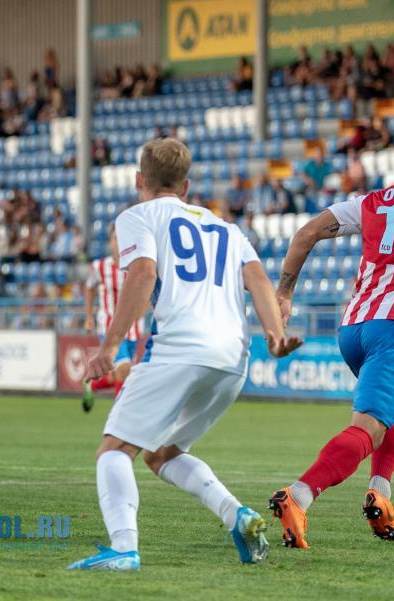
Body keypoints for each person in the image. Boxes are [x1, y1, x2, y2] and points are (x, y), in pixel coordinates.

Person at [66, 139, 302, 571]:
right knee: (161, 453)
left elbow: (142, 274)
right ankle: (237, 515)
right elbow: (258, 281)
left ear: (139, 180)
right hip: (232, 358)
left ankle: (123, 549)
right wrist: (275, 335)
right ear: (186, 186)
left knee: (114, 450)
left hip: (179, 349)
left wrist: (109, 346)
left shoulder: (138, 216)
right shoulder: (227, 229)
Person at [270, 181, 394, 547]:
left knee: (393, 412)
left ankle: (380, 494)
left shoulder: (374, 201)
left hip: (354, 327)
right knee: (369, 427)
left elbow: (306, 233)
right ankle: (299, 495)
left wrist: (284, 292)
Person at [81, 225, 144, 412]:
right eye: (115, 238)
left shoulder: (136, 267)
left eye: (122, 238)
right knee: (124, 369)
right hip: (109, 327)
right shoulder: (99, 267)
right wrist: (89, 317)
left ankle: (91, 386)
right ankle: (120, 416)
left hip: (134, 329)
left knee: (122, 373)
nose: (119, 243)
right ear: (110, 242)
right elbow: (89, 289)